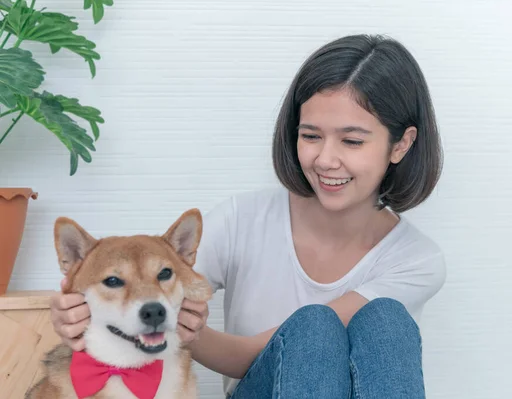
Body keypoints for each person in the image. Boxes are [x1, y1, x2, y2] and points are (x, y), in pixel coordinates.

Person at [50, 33, 446, 398]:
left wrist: (195, 332)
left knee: (380, 324)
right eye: (310, 136)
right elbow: (148, 284)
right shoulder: (242, 219)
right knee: (313, 329)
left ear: (401, 144)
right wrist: (76, 310)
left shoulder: (416, 261)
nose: (326, 159)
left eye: (352, 140)